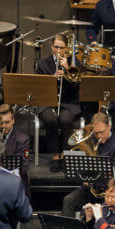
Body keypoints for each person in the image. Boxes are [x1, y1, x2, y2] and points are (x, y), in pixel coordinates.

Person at [60, 112, 115, 220]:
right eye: (95, 133)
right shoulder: (91, 140)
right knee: (68, 200)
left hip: (112, 191)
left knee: (95, 215)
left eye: (101, 132)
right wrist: (83, 176)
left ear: (109, 126)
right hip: (91, 189)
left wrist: (96, 177)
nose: (99, 136)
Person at [36, 33, 81, 173]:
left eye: (61, 48)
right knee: (51, 119)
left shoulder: (74, 63)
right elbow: (38, 87)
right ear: (51, 47)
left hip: (68, 102)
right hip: (48, 102)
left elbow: (78, 87)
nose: (59, 50)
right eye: (56, 47)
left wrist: (68, 70)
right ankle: (55, 156)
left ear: (66, 48)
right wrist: (52, 79)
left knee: (66, 120)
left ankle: (66, 156)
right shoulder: (43, 64)